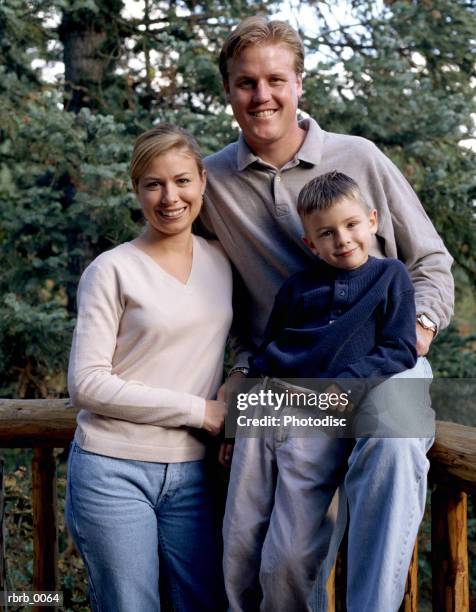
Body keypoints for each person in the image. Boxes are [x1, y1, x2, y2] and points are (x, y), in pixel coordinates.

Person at [200, 16, 453, 612]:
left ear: (299, 84)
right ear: (229, 91)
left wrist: (413, 335)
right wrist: (241, 379)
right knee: (265, 547)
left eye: (275, 80)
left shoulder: (357, 157)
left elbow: (431, 261)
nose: (262, 96)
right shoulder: (211, 181)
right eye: (245, 83)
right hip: (289, 376)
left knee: (393, 445)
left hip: (386, 354)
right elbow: (212, 293)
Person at [224, 170, 432, 611]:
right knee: (240, 535)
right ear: (310, 244)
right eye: (327, 233)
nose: (343, 240)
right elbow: (270, 348)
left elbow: (399, 349)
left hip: (320, 418)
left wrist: (345, 386)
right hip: (268, 408)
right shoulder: (297, 286)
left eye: (352, 225)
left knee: (287, 554)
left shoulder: (390, 277)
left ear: (372, 220)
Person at [65, 124, 232, 612]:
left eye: (181, 180)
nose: (169, 197)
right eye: (153, 184)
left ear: (202, 180)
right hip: (112, 470)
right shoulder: (111, 269)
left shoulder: (223, 262)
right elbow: (87, 384)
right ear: (136, 189)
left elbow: (247, 341)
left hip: (195, 475)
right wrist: (200, 411)